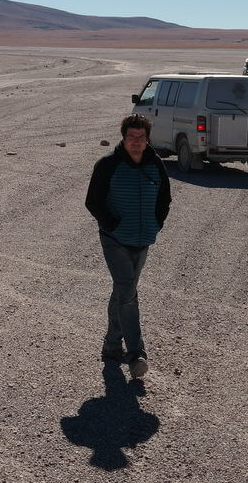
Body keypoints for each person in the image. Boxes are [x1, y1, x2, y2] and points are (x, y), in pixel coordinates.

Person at [85, 113, 171, 378]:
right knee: (127, 291)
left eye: (141, 138)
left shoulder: (156, 166)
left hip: (143, 239)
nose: (136, 142)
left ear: (146, 140)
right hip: (115, 240)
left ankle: (112, 345)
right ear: (124, 138)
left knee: (124, 291)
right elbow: (93, 201)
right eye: (131, 137)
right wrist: (114, 225)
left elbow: (164, 200)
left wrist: (155, 225)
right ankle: (136, 354)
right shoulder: (108, 165)